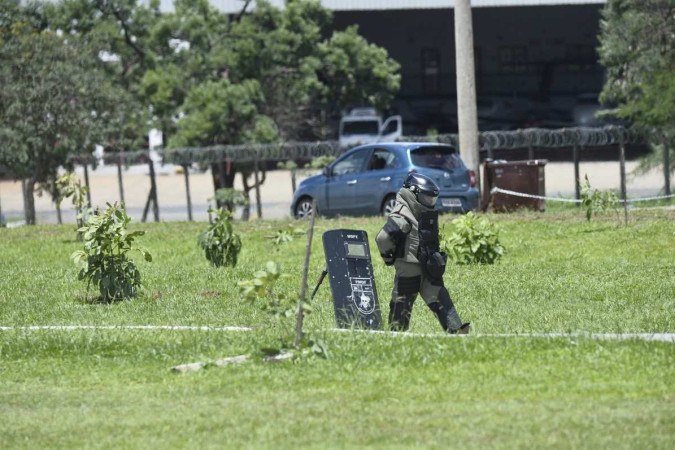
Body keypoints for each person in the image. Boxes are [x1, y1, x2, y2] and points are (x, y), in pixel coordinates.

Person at [375, 172, 470, 334]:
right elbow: (383, 238)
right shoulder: (402, 216)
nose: (429, 201)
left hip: (422, 268)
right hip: (416, 269)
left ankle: (456, 331)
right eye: (426, 198)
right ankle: (397, 340)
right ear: (412, 194)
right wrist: (388, 258)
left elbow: (383, 240)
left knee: (422, 302)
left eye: (431, 198)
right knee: (405, 305)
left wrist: (388, 257)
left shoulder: (417, 213)